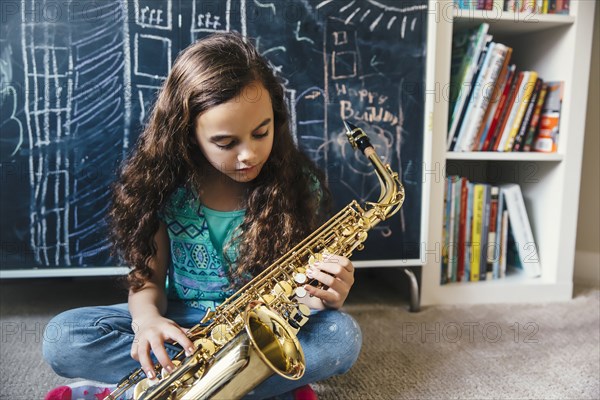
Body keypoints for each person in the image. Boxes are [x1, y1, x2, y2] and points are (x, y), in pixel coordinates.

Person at [43, 32, 362, 400]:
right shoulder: (162, 188)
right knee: (62, 337)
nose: (248, 155)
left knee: (341, 337)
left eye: (262, 132)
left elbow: (304, 298)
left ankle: (149, 391)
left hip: (262, 330)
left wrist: (327, 296)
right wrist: (148, 322)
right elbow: (146, 282)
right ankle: (249, 387)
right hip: (183, 323)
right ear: (187, 133)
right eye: (226, 143)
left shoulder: (298, 186)